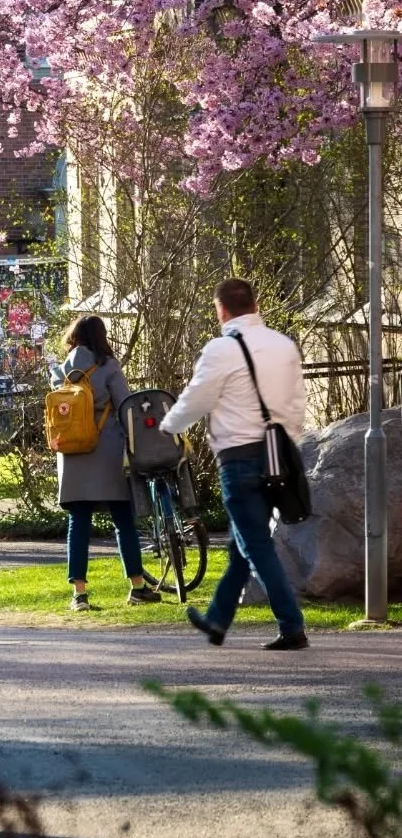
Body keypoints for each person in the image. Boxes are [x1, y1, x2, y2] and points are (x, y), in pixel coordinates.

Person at [161, 277, 309, 651]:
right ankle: (217, 620)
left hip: (239, 458)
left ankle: (292, 624)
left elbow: (198, 398)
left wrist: (169, 426)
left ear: (221, 309)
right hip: (280, 458)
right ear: (256, 305)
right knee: (242, 545)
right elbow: (296, 404)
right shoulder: (284, 345)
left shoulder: (221, 349)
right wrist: (285, 442)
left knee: (255, 543)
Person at [52, 314, 159, 611]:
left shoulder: (60, 370)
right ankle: (137, 587)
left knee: (79, 522)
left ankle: (80, 595)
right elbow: (125, 405)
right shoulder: (108, 366)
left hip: (72, 453)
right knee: (123, 519)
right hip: (108, 448)